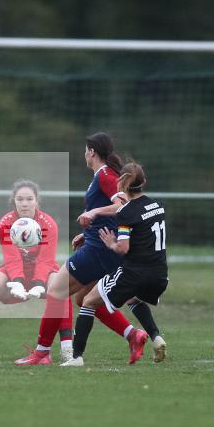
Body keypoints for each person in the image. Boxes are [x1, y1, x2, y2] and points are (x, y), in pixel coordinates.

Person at [46, 132, 159, 367]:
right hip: (97, 244)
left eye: (85, 149)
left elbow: (122, 206)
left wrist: (94, 214)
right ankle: (134, 335)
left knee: (56, 290)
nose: (84, 154)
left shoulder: (106, 175)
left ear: (91, 151)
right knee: (85, 299)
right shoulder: (102, 174)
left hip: (99, 250)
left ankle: (43, 352)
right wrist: (87, 232)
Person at [69, 162, 169, 364]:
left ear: (121, 183)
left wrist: (110, 243)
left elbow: (123, 248)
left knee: (88, 302)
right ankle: (156, 337)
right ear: (144, 183)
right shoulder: (157, 206)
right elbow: (138, 228)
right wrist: (90, 232)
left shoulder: (126, 214)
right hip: (159, 275)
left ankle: (76, 357)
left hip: (134, 272)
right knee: (133, 298)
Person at [0, 180, 74, 365]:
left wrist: (39, 283)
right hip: (15, 270)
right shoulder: (6, 223)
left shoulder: (49, 223)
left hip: (43, 270)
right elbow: (11, 258)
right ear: (14, 200)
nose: (24, 203)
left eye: (29, 199)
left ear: (37, 201)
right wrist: (17, 281)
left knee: (62, 285)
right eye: (20, 199)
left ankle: (67, 349)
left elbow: (46, 259)